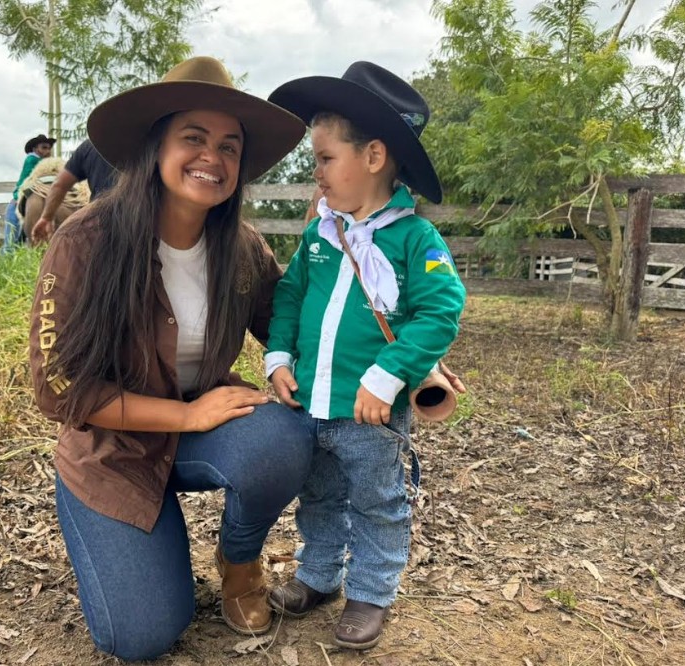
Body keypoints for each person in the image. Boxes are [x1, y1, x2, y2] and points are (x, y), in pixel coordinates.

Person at [28, 56, 310, 661]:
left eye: (229, 146)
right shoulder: (85, 242)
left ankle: (238, 562)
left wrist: (404, 357)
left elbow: (298, 331)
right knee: (143, 635)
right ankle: (139, 539)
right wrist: (187, 417)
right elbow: (59, 391)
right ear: (157, 145)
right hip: (114, 453)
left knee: (280, 439)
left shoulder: (242, 250)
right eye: (194, 138)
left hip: (202, 431)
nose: (213, 156)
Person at [263, 62, 467, 649]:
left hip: (370, 413)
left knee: (378, 501)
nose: (316, 171)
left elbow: (438, 312)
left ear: (373, 156)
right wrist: (279, 356)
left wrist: (386, 376)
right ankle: (319, 576)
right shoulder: (319, 235)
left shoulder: (415, 241)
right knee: (319, 494)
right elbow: (292, 293)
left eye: (325, 158)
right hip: (313, 401)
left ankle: (372, 592)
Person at [31, 138, 116, 244]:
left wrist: (46, 217)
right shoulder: (140, 142)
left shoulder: (88, 146)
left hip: (100, 222)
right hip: (136, 222)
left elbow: (59, 185)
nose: (47, 150)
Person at [2, 134, 55, 254]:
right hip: (18, 203)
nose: (47, 151)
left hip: (27, 201)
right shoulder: (33, 160)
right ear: (36, 149)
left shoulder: (41, 162)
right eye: (44, 147)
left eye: (49, 148)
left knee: (17, 243)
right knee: (10, 244)